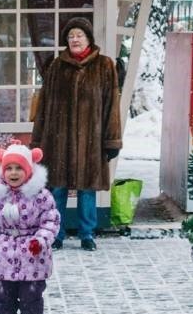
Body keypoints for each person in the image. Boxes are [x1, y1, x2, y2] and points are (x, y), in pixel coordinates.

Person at [30, 16, 123, 251]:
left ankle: (87, 234)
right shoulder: (56, 66)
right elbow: (43, 106)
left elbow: (112, 106)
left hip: (90, 141)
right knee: (57, 188)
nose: (75, 40)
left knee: (87, 189)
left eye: (79, 35)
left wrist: (111, 140)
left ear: (89, 39)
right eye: (71, 36)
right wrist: (38, 141)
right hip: (57, 141)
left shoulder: (104, 66)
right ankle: (57, 233)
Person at [0, 144, 59, 314]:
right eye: (9, 168)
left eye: (18, 168)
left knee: (31, 297)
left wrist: (40, 240)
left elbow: (50, 220)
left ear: (28, 170)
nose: (13, 173)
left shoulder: (40, 196)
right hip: (3, 254)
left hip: (32, 255)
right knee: (3, 297)